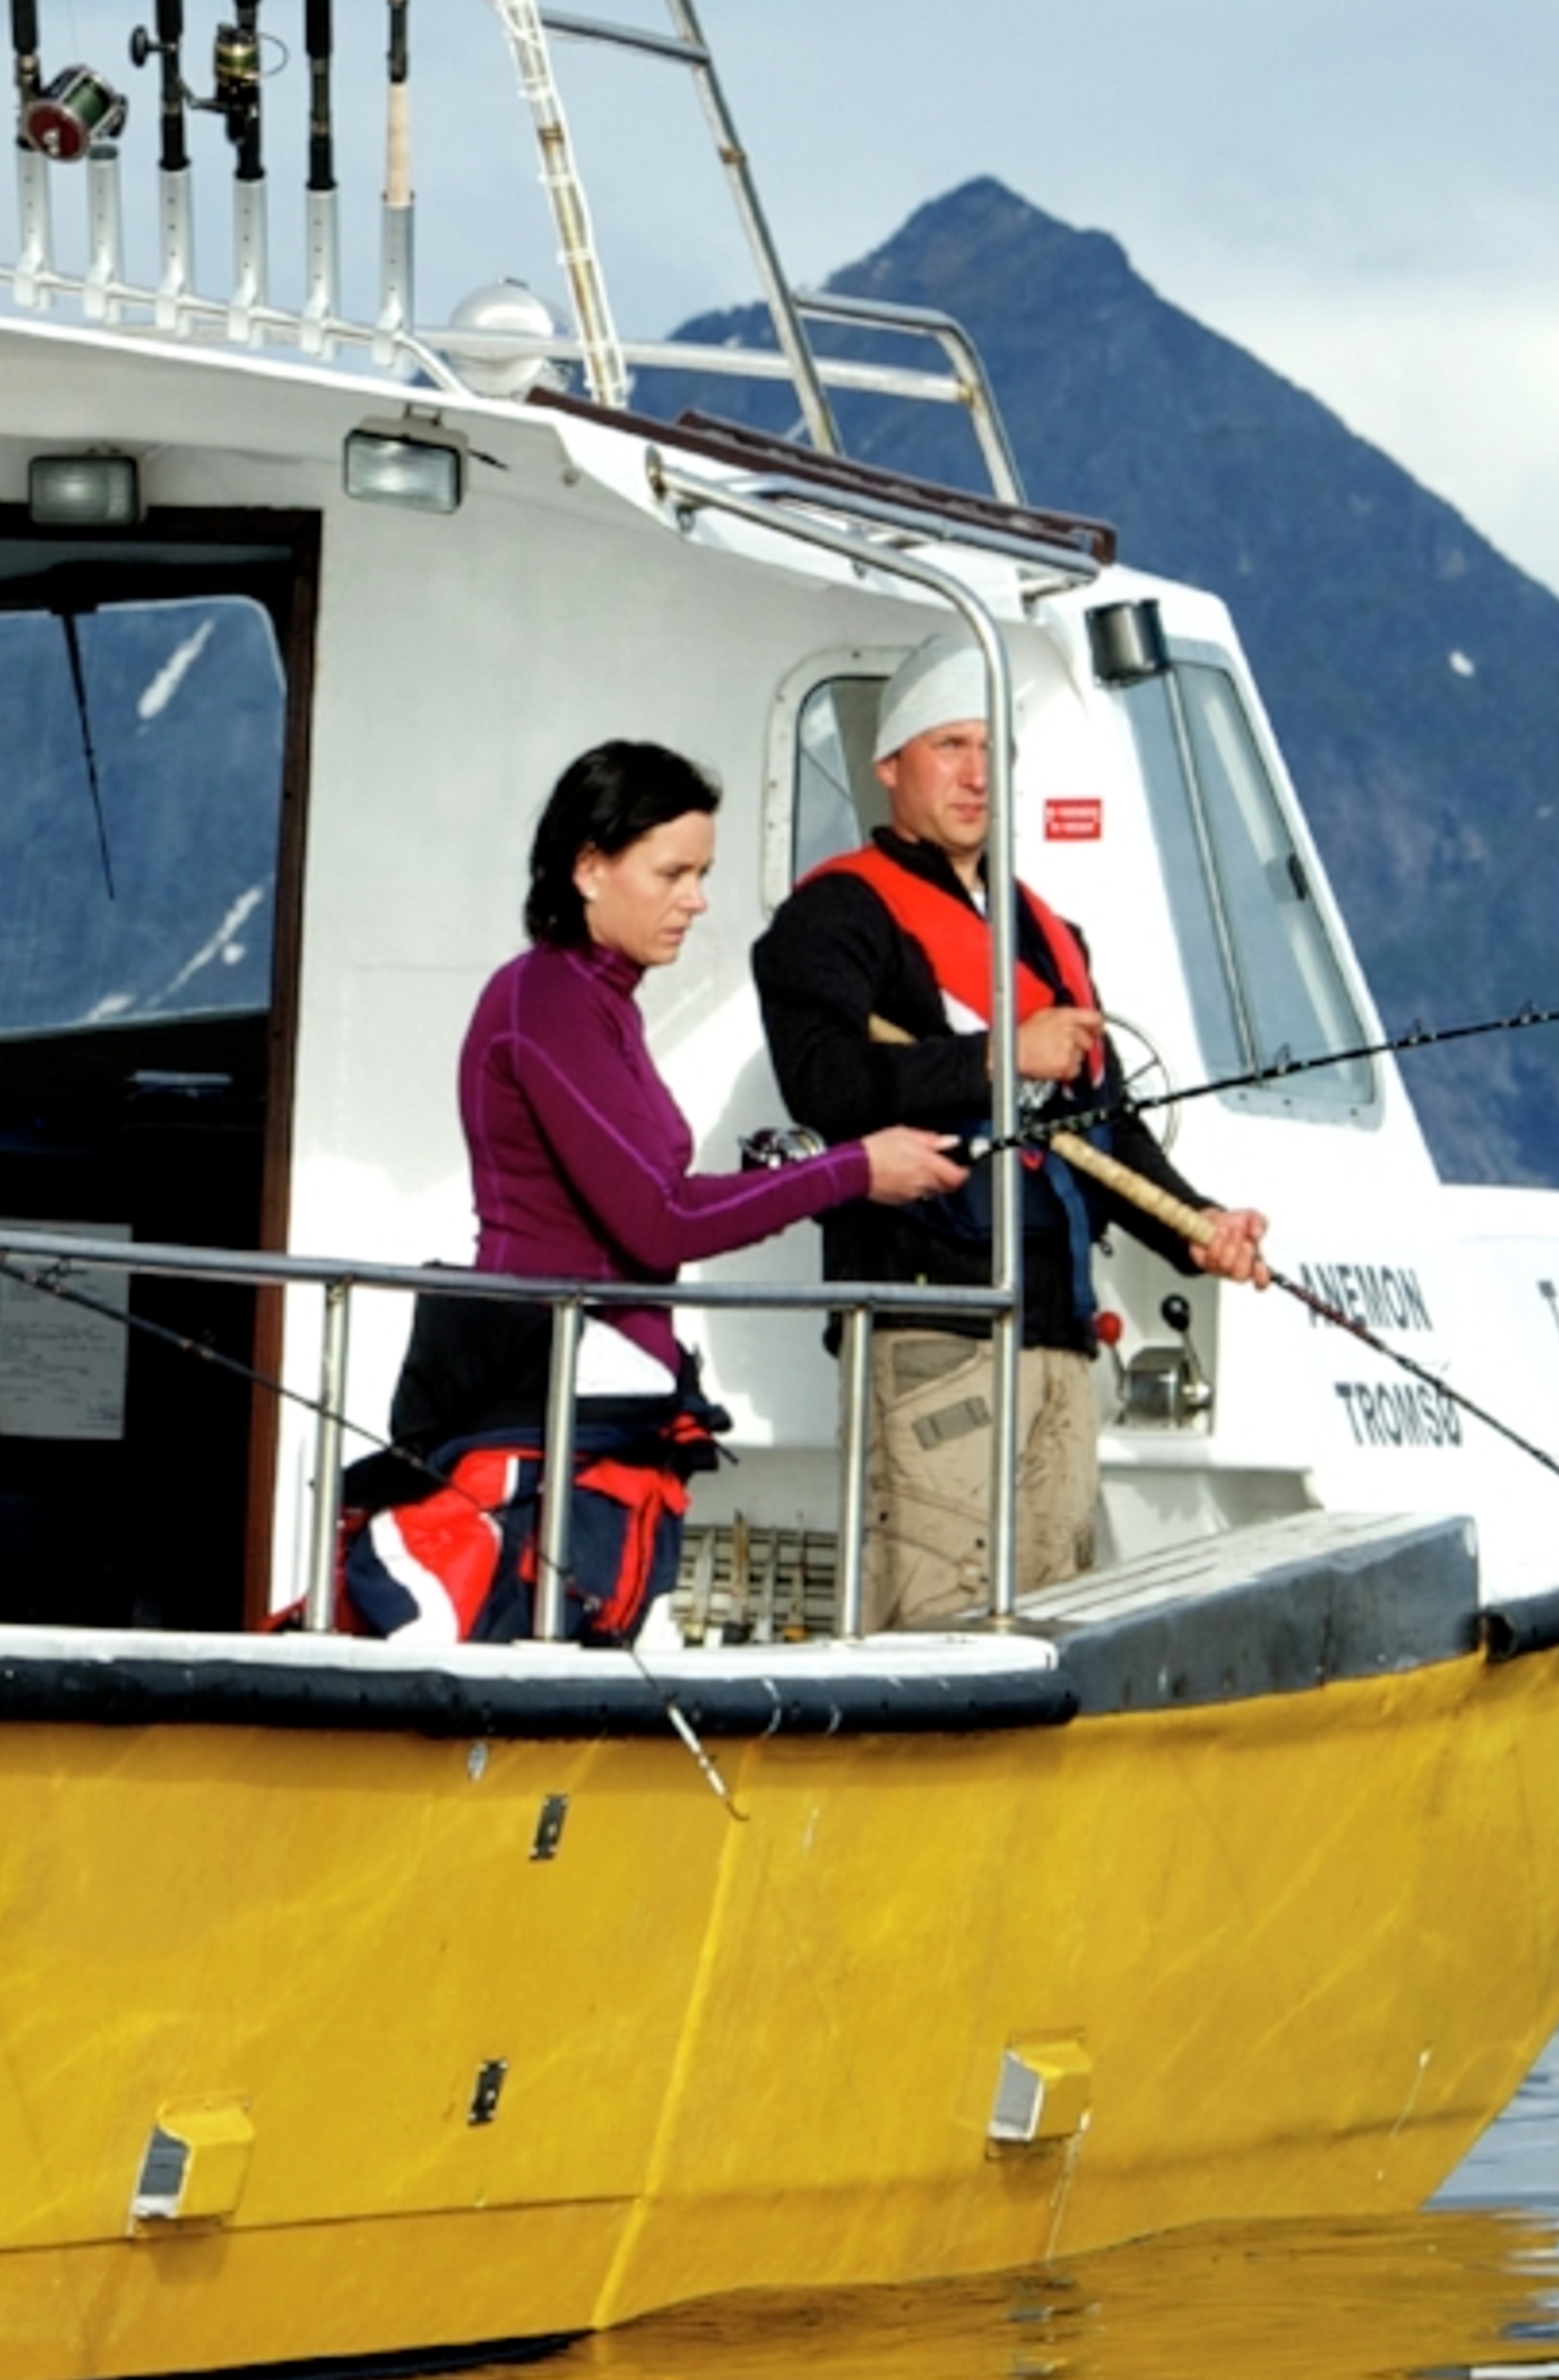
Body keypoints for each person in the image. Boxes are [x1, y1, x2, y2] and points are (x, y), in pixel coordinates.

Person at [753, 625, 1269, 1628]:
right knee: (934, 1624)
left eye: (994, 750)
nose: (977, 775)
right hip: (929, 1333)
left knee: (1054, 1627)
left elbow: (1110, 1131)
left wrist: (1199, 1227)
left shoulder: (1050, 933)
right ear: (890, 764)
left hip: (1059, 1336)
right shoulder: (837, 918)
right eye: (951, 746)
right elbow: (822, 1083)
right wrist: (1001, 1055)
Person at [458, 738, 966, 1382]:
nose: (696, 900)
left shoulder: (594, 999)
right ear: (588, 870)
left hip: (599, 1381)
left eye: (702, 875)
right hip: (544, 1387)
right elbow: (661, 1221)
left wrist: (790, 1175)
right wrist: (854, 1170)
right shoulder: (549, 1000)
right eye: (672, 875)